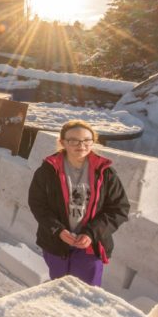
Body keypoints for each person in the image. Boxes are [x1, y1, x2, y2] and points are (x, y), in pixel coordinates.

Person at [28, 119, 129, 287]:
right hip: (56, 242)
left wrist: (91, 233)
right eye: (73, 140)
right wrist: (58, 230)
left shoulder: (105, 172)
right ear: (62, 142)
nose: (81, 145)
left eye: (87, 140)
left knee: (85, 292)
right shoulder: (48, 170)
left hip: (91, 245)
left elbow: (119, 208)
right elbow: (38, 204)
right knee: (58, 286)